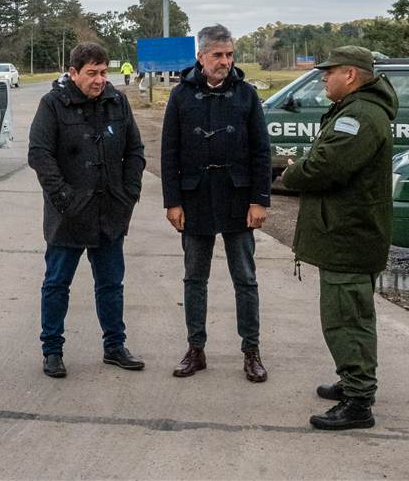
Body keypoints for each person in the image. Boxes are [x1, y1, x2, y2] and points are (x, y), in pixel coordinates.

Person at [281, 46, 398, 431]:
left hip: (350, 235)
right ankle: (353, 381)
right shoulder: (357, 109)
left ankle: (359, 401)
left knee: (347, 319)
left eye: (328, 72)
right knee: (347, 315)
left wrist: (293, 173)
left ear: (350, 74)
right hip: (348, 232)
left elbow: (327, 166)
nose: (323, 78)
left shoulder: (361, 114)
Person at [28, 42, 146, 378]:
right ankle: (52, 350)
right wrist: (63, 197)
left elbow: (135, 151)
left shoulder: (117, 101)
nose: (99, 80)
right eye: (91, 73)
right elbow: (39, 155)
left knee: (111, 283)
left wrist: (129, 192)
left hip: (110, 212)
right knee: (56, 284)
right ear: (73, 73)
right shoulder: (52, 104)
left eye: (103, 72)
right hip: (68, 216)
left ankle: (115, 346)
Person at [161, 24, 271, 383]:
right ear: (201, 57)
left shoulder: (246, 95)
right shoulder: (181, 96)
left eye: (229, 55)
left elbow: (261, 152)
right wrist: (172, 201)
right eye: (218, 55)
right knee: (195, 278)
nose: (225, 61)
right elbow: (169, 152)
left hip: (239, 199)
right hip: (195, 200)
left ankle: (251, 350)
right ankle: (196, 348)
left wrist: (259, 200)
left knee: (245, 279)